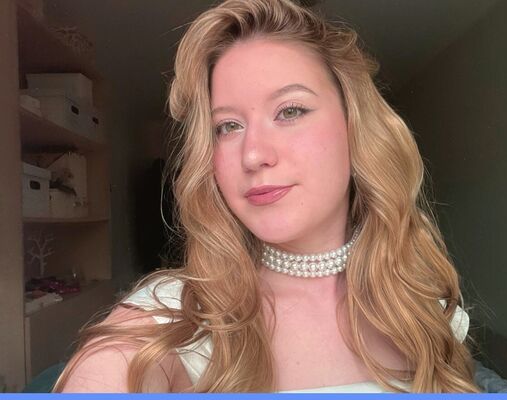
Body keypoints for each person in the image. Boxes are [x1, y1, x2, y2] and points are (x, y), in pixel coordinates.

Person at [54, 0, 480, 393]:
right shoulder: (178, 315)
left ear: (355, 127)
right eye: (228, 126)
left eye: (290, 111)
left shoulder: (428, 309)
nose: (253, 155)